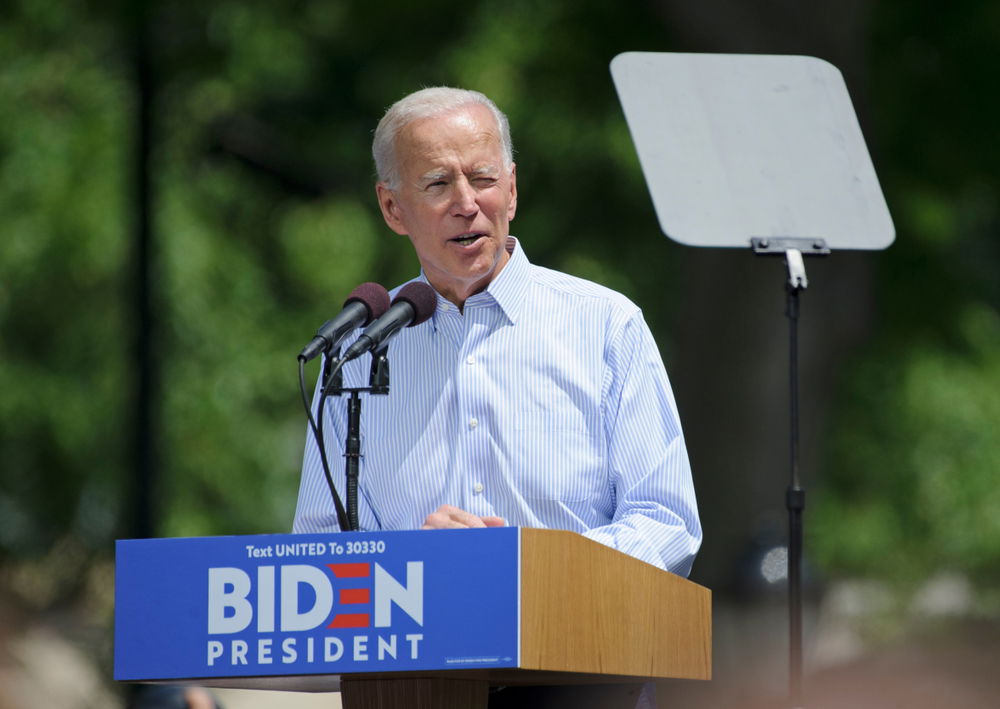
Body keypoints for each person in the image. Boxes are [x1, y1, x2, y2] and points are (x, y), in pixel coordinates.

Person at [293, 87, 700, 707]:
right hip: (411, 685)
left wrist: (523, 568)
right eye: (436, 184)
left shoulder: (605, 325)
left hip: (583, 676)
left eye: (482, 178)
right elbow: (316, 555)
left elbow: (667, 524)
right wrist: (411, 568)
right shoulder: (356, 351)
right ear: (392, 206)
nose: (466, 203)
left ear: (511, 188)